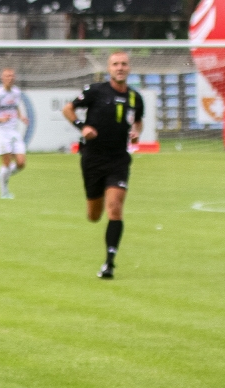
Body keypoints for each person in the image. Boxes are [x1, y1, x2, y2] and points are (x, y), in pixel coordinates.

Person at [62, 51, 144, 279]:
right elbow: (68, 109)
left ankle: (109, 262)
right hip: (92, 159)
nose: (120, 68)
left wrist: (137, 132)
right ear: (109, 69)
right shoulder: (96, 91)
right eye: (115, 64)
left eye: (124, 64)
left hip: (118, 159)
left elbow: (138, 120)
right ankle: (107, 255)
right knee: (94, 215)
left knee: (115, 207)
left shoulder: (135, 98)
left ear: (129, 69)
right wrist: (82, 127)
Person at [0, 68, 28, 200]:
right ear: (3, 78)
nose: (10, 78)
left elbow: (15, 106)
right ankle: (4, 192)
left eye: (12, 76)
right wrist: (0, 119)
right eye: (7, 76)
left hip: (14, 131)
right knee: (6, 163)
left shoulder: (16, 92)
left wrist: (21, 117)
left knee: (21, 163)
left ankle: (3, 174)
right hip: (1, 132)